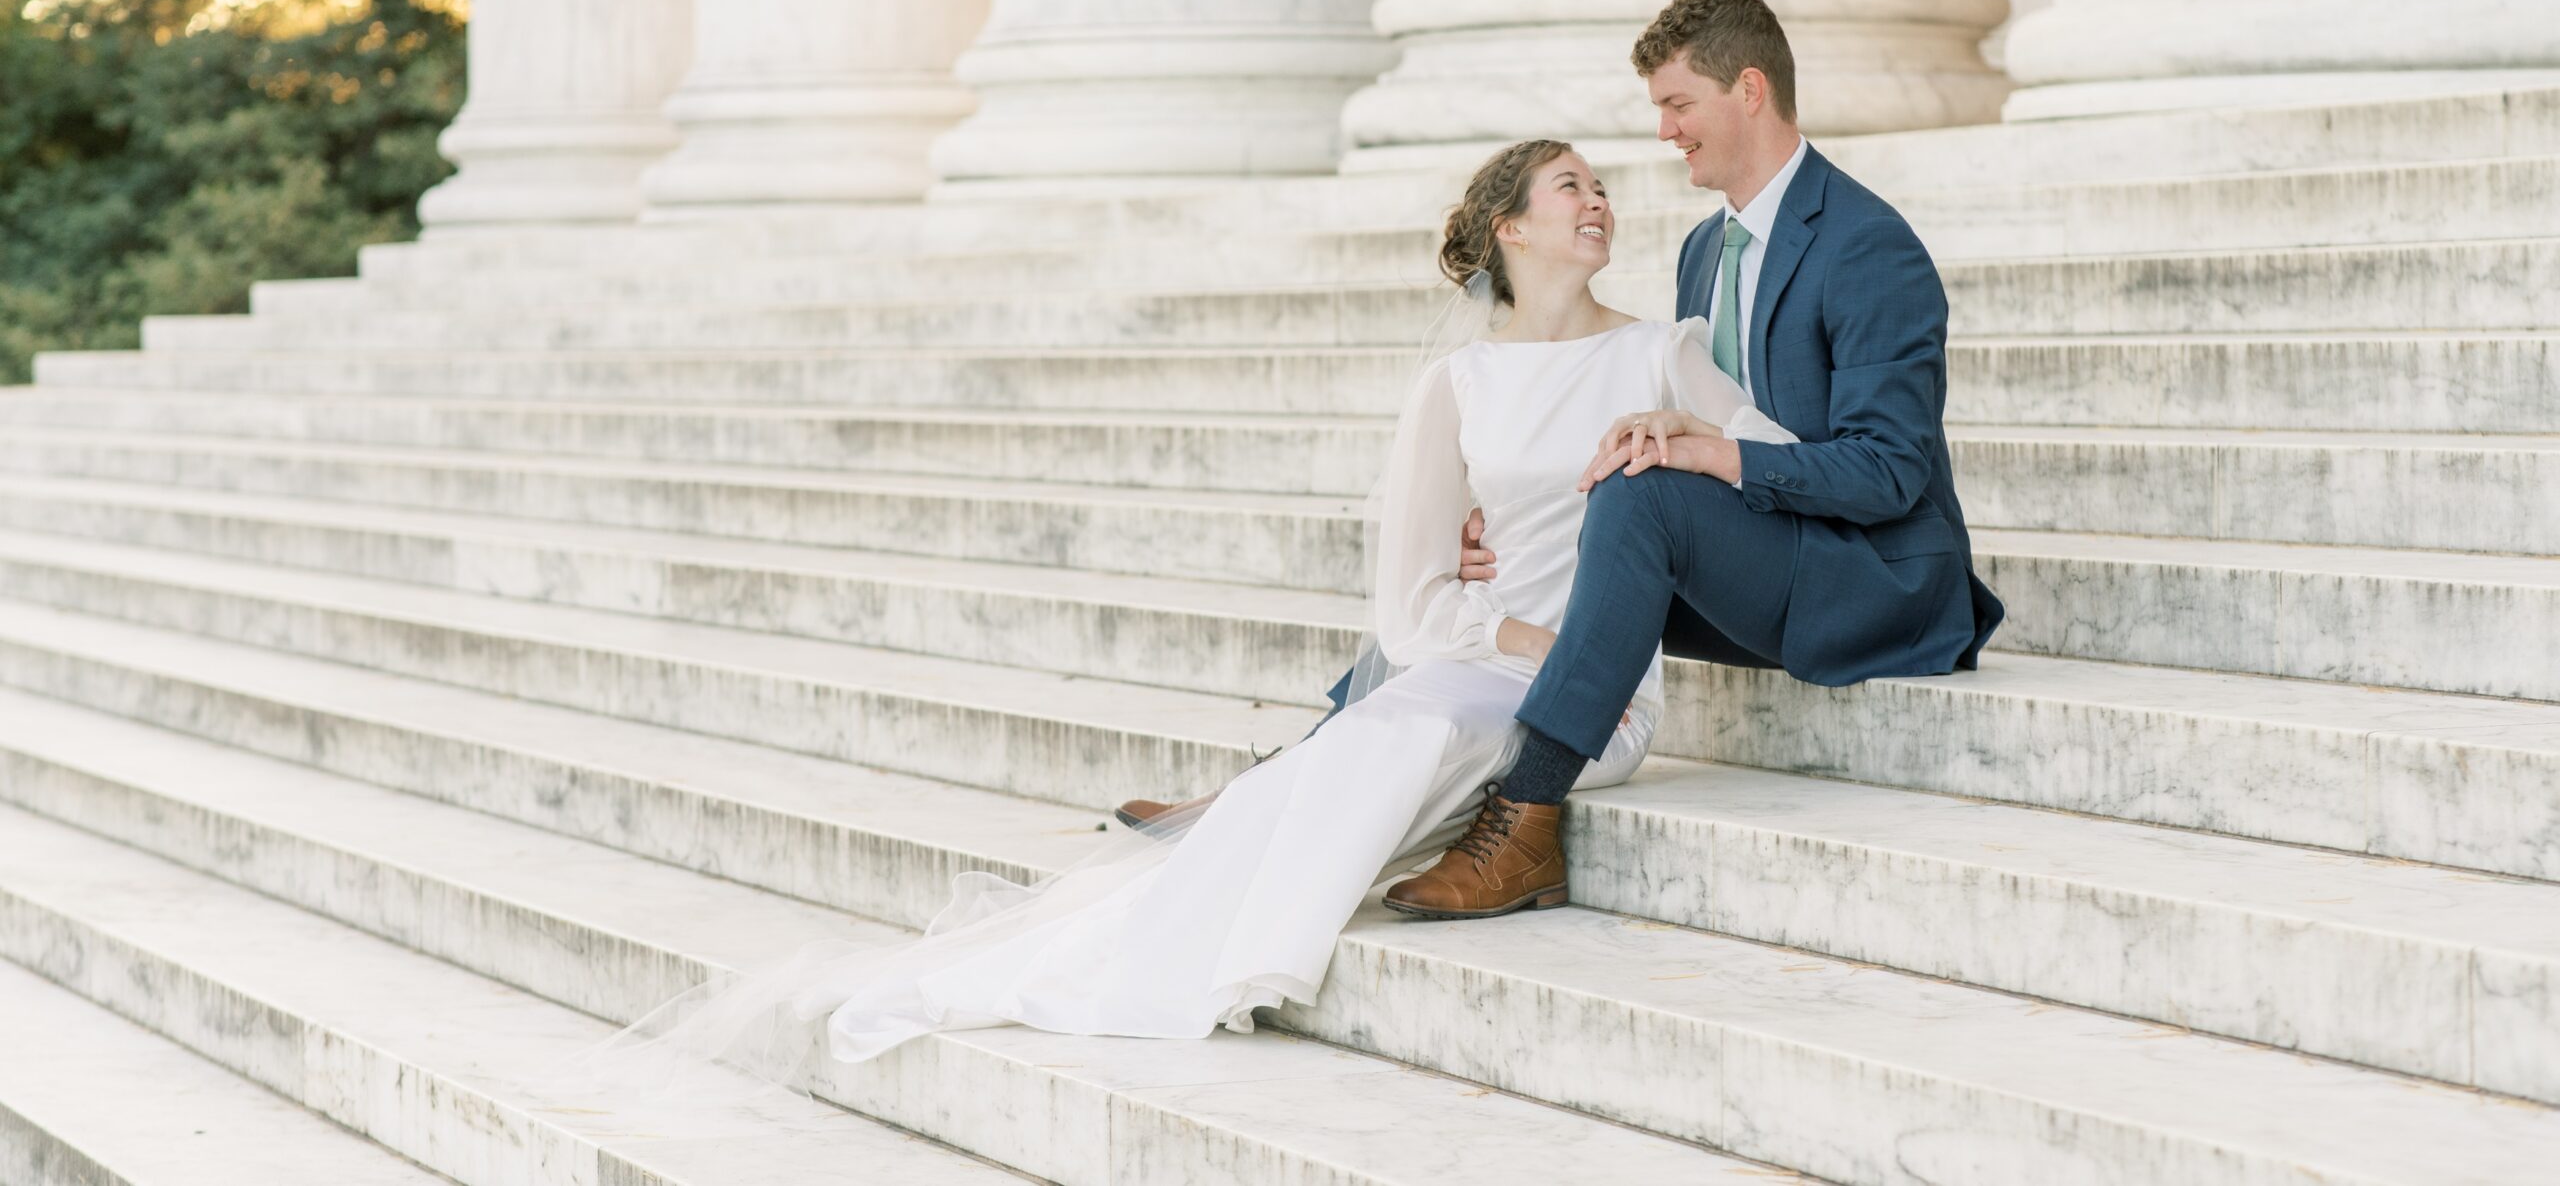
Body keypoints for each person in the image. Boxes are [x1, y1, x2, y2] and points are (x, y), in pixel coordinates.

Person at [586, 138, 1793, 1086]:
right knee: (1385, 728)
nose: (1598, 202)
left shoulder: (1664, 351)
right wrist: (1512, 634)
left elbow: (1780, 471)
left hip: (1600, 695)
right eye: (1568, 185)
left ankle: (1244, 938)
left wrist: (1686, 440)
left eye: (1600, 186)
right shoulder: (1457, 382)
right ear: (1509, 227)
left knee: (1411, 734)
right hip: (1480, 660)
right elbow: (1414, 602)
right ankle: (1156, 936)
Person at [1122, 0, 2005, 922]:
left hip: (1873, 578)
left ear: (1749, 90)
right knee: (1499, 573)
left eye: (1677, 104)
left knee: (1642, 490)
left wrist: (1709, 452)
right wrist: (1509, 518)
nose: (1664, 132)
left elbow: (1887, 472)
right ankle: (1286, 780)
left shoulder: (1870, 246)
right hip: (1763, 544)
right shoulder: (1708, 249)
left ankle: (1528, 814)